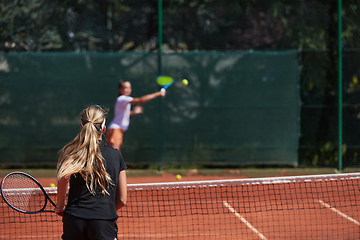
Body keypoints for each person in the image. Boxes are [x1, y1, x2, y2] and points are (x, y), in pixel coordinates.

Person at [55, 105, 127, 240]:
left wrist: (60, 206)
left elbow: (64, 176)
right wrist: (103, 212)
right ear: (104, 129)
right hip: (104, 223)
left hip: (74, 220)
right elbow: (122, 200)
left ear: (82, 127)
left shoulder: (71, 152)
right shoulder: (116, 155)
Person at [106, 80, 166, 151]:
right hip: (115, 130)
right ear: (120, 89)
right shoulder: (122, 99)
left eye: (129, 87)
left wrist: (133, 112)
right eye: (125, 88)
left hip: (115, 129)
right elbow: (140, 100)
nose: (128, 90)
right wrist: (157, 94)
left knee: (112, 156)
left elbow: (122, 114)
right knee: (114, 156)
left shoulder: (122, 100)